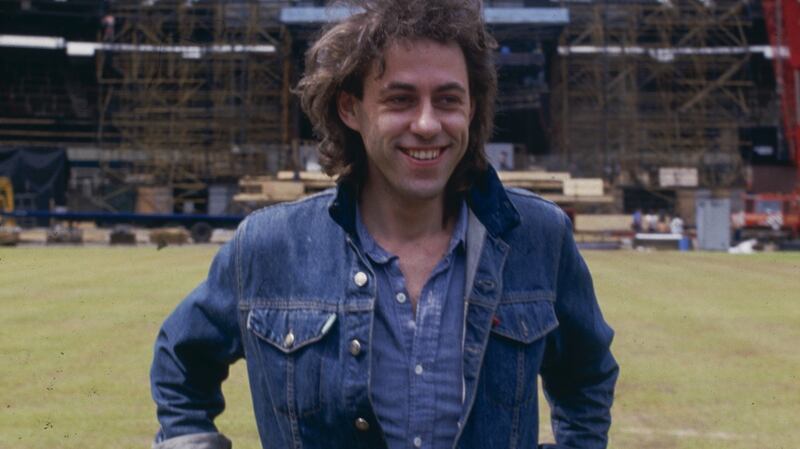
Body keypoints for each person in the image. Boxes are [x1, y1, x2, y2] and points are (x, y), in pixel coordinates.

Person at [149, 1, 618, 449]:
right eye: (400, 99)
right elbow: (180, 362)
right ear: (350, 109)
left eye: (448, 100)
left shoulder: (538, 237)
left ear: (472, 109)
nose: (428, 124)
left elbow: (587, 375)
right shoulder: (270, 246)